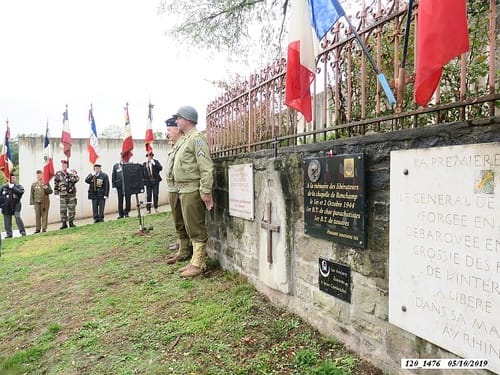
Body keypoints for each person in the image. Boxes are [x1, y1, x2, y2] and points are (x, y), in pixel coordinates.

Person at [172, 106, 214, 278]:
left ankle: (198, 263)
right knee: (189, 226)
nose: (177, 121)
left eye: (179, 118)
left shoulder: (196, 138)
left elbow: (206, 166)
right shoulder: (185, 140)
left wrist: (206, 190)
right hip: (184, 189)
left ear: (188, 119)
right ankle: (195, 261)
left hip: (192, 189)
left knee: (196, 227)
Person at [164, 116, 192, 264]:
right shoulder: (175, 145)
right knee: (178, 220)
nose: (167, 133)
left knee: (183, 220)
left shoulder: (184, 144)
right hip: (173, 188)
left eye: (169, 129)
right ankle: (182, 246)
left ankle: (185, 249)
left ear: (177, 129)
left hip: (180, 187)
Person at [54, 160, 80, 229]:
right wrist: (56, 194)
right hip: (63, 195)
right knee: (63, 210)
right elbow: (56, 184)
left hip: (71, 195)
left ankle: (71, 222)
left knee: (72, 209)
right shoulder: (58, 174)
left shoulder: (72, 172)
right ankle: (64, 223)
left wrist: (71, 174)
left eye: (65, 165)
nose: (64, 166)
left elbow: (76, 180)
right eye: (63, 165)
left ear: (67, 166)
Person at [112, 154, 131, 218]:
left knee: (128, 199)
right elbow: (113, 176)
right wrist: (114, 186)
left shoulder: (128, 165)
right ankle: (121, 214)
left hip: (127, 185)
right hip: (119, 186)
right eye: (122, 158)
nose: (122, 159)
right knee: (120, 200)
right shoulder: (116, 166)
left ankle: (127, 212)